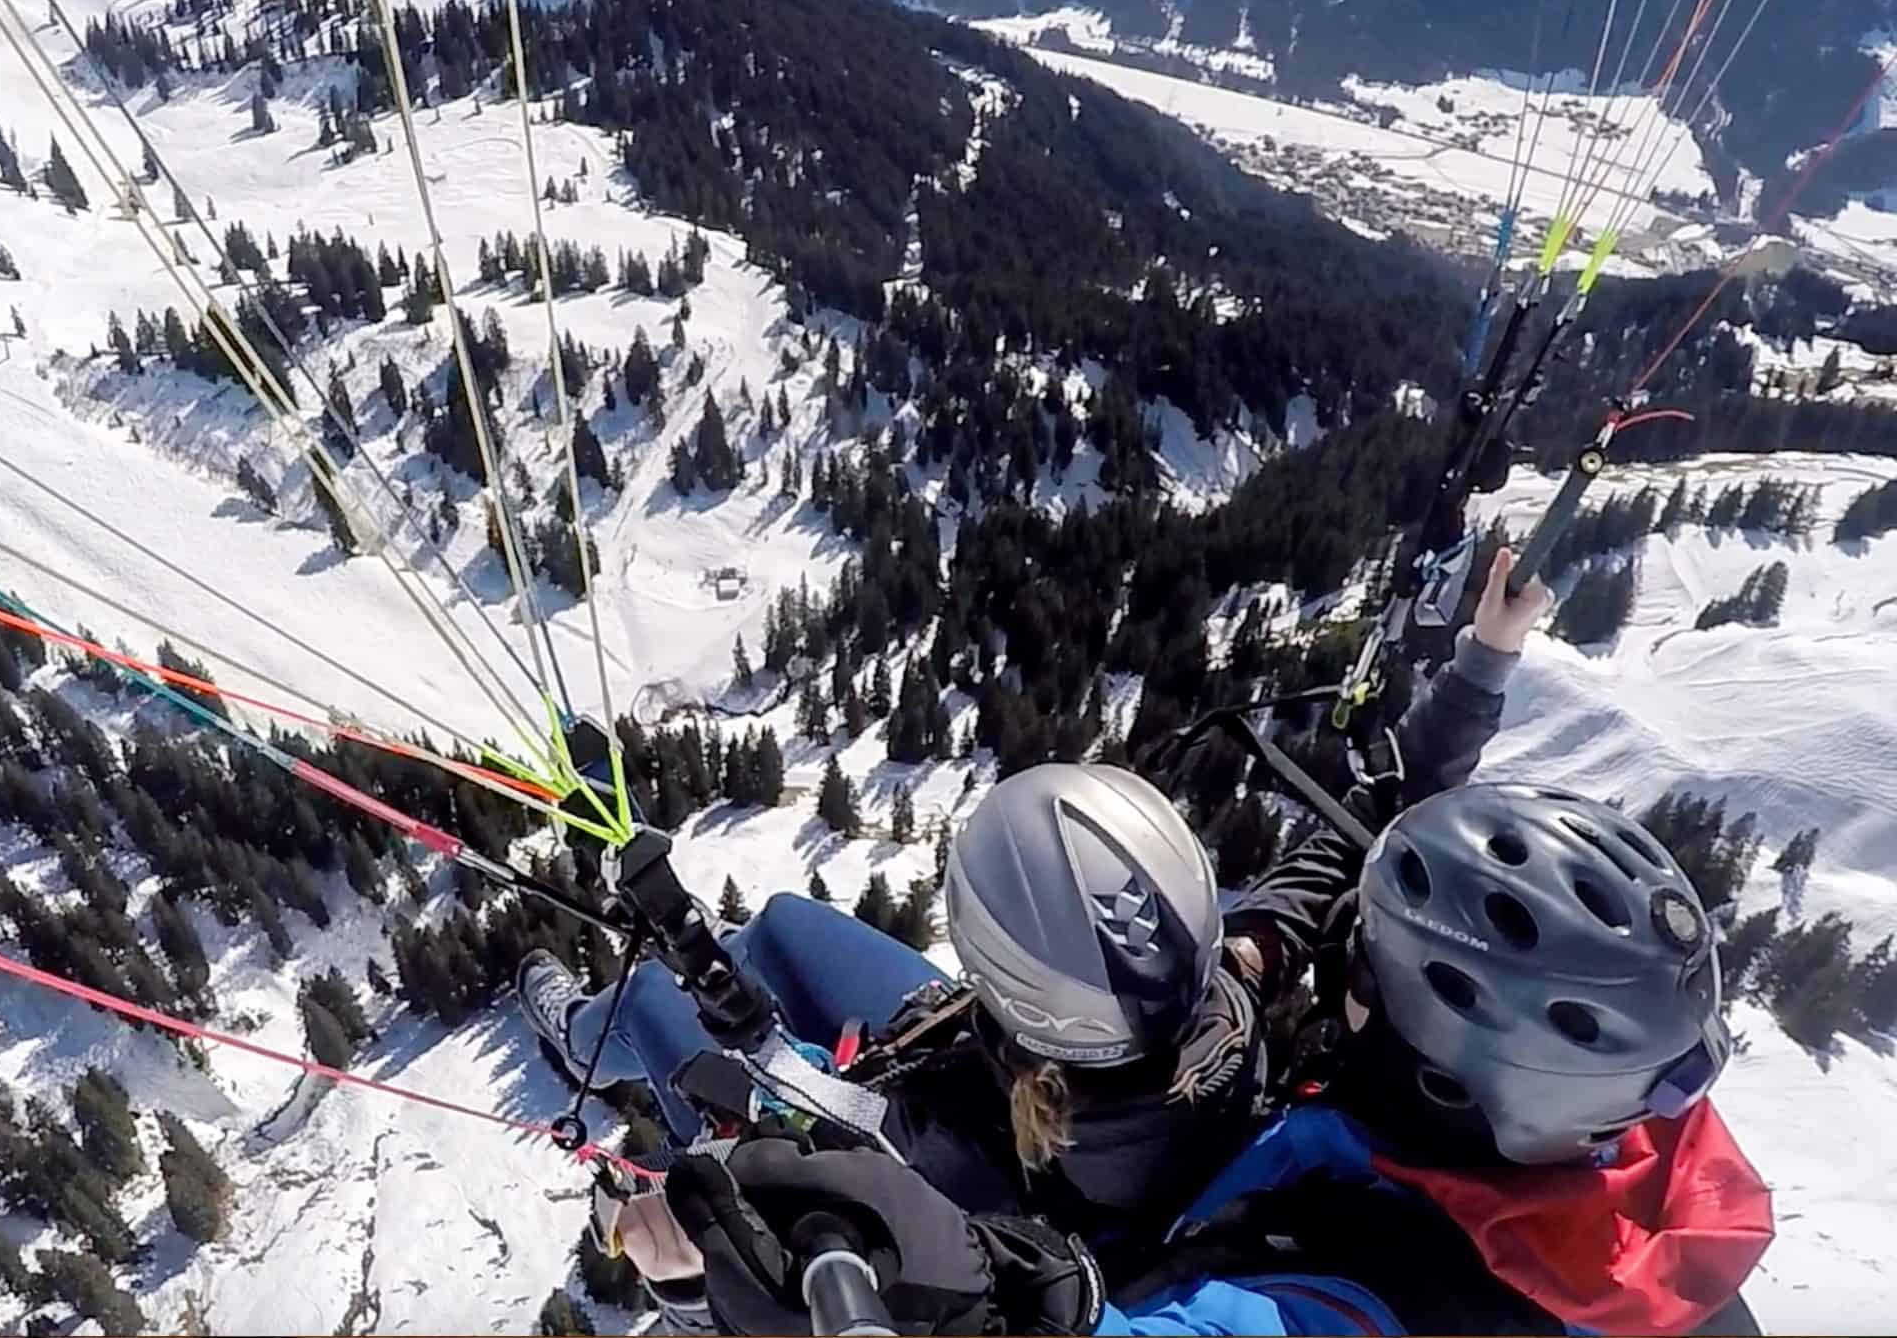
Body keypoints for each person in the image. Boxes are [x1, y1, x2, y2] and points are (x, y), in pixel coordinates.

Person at [526, 549, 1552, 1279]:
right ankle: (603, 1023)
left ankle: (581, 1029)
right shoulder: (1222, 1002)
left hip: (909, 1090)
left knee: (671, 1008)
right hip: (972, 1083)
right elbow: (1364, 825)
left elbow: (807, 1248)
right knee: (785, 927)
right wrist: (1482, 667)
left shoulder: (953, 1149)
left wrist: (675, 1260)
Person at [618, 777, 1770, 1337]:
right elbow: (1303, 898)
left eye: (1363, 970)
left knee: (688, 993)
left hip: (1030, 1197)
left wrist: (965, 1301)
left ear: (1443, 1062)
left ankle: (583, 1007)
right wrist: (1468, 676)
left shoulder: (1397, 1295)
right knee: (766, 927)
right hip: (1044, 1149)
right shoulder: (1599, 1140)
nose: (1336, 970)